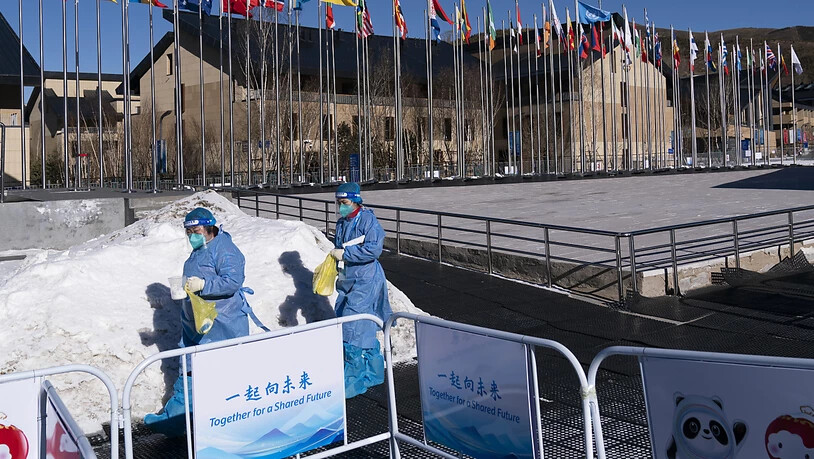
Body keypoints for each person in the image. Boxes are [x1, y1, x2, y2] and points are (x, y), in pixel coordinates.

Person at [145, 207, 259, 435]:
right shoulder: (200, 250)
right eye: (188, 231)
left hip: (223, 323)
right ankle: (178, 418)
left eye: (195, 230)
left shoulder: (225, 250)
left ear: (209, 227)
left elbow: (233, 281)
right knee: (190, 367)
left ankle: (228, 419)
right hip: (197, 321)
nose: (191, 235)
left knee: (225, 373)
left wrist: (204, 286)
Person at [331, 183, 393, 398]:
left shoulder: (368, 221)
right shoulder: (342, 223)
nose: (341, 207)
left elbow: (374, 249)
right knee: (359, 324)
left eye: (344, 203)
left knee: (352, 326)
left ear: (356, 201)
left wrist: (346, 255)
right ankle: (373, 372)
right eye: (338, 203)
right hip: (348, 278)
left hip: (365, 279)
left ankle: (353, 379)